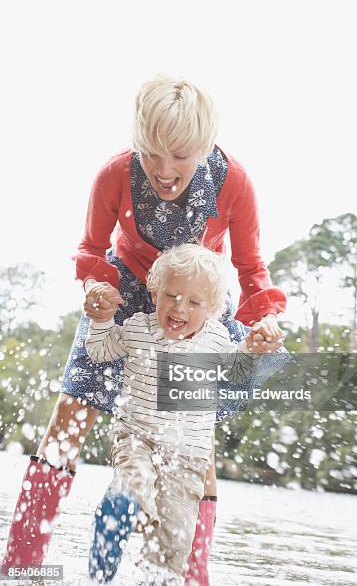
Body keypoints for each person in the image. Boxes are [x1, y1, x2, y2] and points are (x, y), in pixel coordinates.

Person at [1, 75, 286, 584]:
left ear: (202, 146)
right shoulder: (115, 174)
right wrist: (96, 288)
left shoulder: (234, 182)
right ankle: (22, 563)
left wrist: (262, 320)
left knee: (198, 438)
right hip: (126, 290)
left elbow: (250, 268)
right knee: (69, 418)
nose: (163, 169)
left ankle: (190, 571)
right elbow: (90, 249)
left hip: (196, 304)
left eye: (178, 155)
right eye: (151, 152)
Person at [85, 245, 288, 585]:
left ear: (212, 309)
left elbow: (235, 373)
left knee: (174, 539)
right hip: (137, 436)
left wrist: (251, 351)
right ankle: (116, 518)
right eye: (172, 296)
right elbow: (100, 351)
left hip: (188, 456)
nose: (180, 307)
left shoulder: (215, 339)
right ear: (154, 292)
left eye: (194, 303)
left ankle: (158, 577)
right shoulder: (138, 327)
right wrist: (101, 319)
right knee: (133, 484)